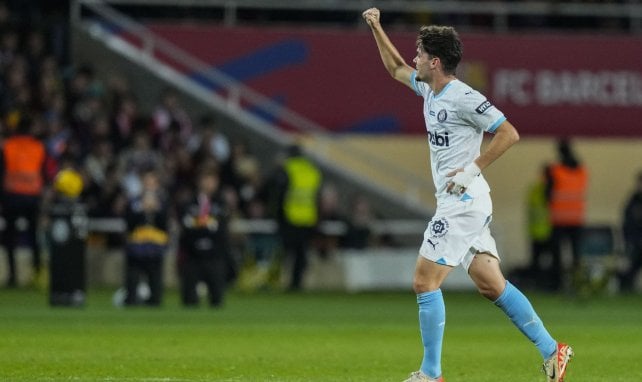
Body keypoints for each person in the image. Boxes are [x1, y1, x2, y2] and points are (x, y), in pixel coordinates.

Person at [362, 8, 572, 382]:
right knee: (492, 284)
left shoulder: (463, 97)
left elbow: (509, 132)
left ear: (435, 61)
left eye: (420, 54)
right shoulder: (429, 88)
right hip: (461, 202)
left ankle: (431, 374)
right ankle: (552, 350)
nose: (415, 59)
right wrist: (376, 26)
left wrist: (472, 168)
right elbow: (394, 68)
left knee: (424, 281)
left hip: (464, 202)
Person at [0, 116, 47, 287]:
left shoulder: (7, 146)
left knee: (9, 237)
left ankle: (12, 276)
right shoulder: (38, 147)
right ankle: (37, 275)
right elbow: (44, 173)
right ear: (30, 128)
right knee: (34, 236)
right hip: (32, 197)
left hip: (11, 196)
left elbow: (2, 172)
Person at [177, 168, 232, 307]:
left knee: (217, 298)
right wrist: (207, 225)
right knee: (189, 299)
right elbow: (186, 227)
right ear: (199, 182)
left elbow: (221, 228)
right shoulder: (188, 203)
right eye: (206, 180)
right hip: (192, 255)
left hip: (214, 255)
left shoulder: (221, 204)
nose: (209, 184)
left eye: (212, 180)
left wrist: (199, 225)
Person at [272, 144, 322, 291]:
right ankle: (297, 283)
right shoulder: (312, 171)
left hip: (290, 217)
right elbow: (317, 197)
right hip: (308, 217)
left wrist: (277, 215)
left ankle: (278, 281)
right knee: (301, 253)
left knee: (287, 253)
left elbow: (279, 195)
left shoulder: (286, 169)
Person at [546, 139, 588, 291]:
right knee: (576, 256)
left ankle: (557, 285)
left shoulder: (555, 171)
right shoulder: (582, 171)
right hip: (577, 219)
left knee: (557, 256)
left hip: (559, 220)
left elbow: (548, 194)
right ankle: (578, 285)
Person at [123, 169, 169, 306]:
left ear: (157, 185)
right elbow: (129, 224)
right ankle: (130, 302)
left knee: (155, 282)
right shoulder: (134, 202)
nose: (149, 185)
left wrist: (156, 210)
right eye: (146, 182)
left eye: (152, 182)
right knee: (132, 280)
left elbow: (164, 224)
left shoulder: (162, 202)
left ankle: (154, 304)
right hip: (136, 248)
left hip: (155, 248)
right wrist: (142, 209)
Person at [619, 171, 642, 292]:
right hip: (635, 240)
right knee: (633, 261)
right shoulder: (633, 201)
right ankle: (626, 283)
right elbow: (628, 223)